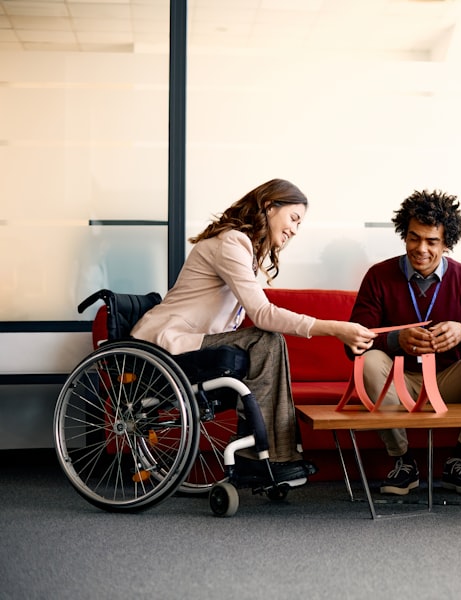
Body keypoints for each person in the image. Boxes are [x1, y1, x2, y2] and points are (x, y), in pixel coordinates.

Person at [131, 178, 376, 483]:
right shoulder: (232, 242)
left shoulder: (243, 248)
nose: (295, 230)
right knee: (265, 338)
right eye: (294, 218)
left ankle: (274, 455)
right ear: (269, 206)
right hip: (167, 345)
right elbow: (262, 314)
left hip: (191, 344)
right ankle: (261, 456)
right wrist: (334, 328)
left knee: (268, 342)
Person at [349, 189, 461, 496]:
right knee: (369, 361)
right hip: (397, 382)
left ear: (446, 243)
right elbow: (353, 346)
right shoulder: (378, 276)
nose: (420, 249)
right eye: (414, 238)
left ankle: (459, 462)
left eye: (431, 241)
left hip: (448, 380)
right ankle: (403, 463)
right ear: (404, 235)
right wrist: (396, 340)